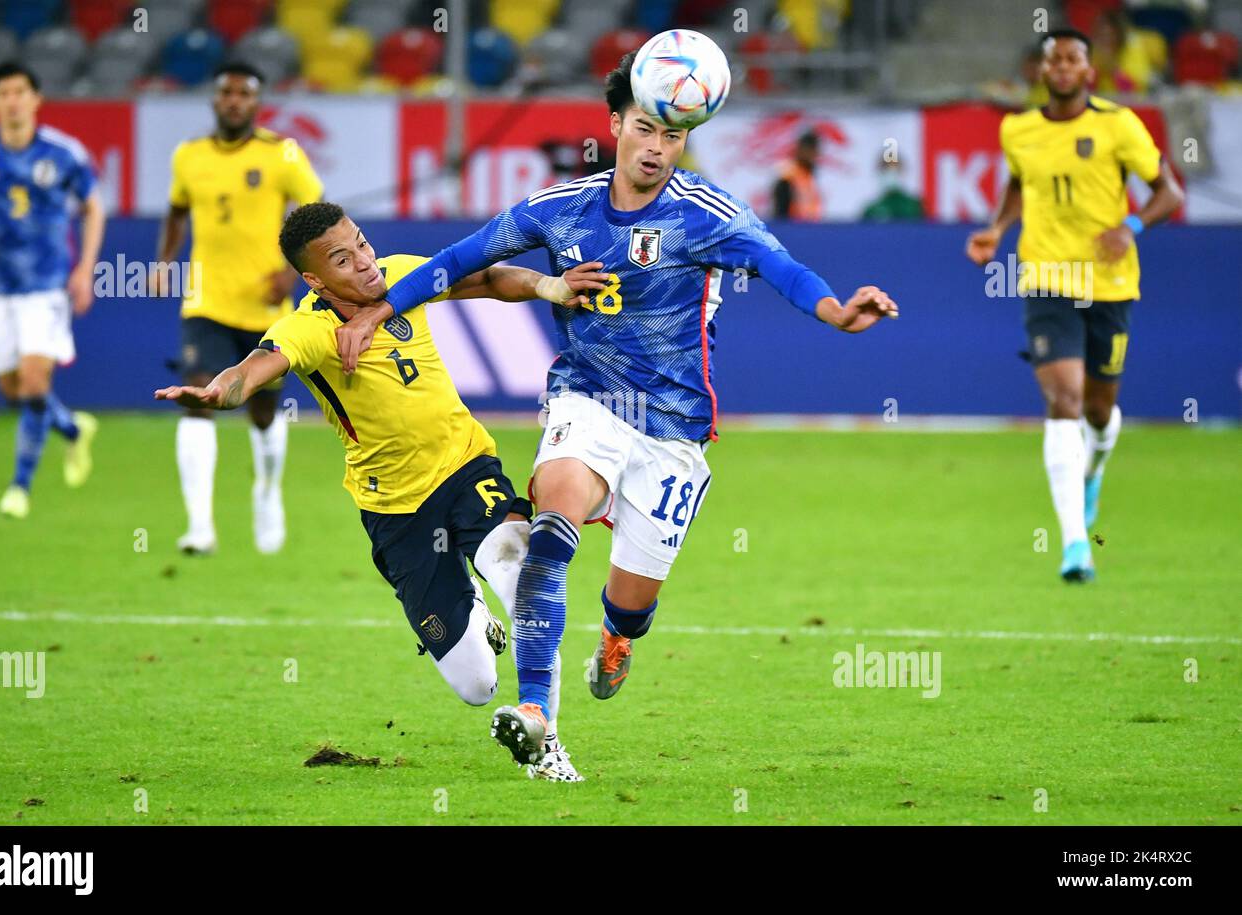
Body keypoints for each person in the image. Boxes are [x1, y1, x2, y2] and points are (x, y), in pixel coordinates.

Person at [334, 53, 898, 769]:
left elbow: (778, 265)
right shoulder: (561, 207)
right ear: (616, 125)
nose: (658, 147)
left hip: (674, 431)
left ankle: (618, 637)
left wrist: (836, 310)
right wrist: (380, 310)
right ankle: (536, 709)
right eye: (646, 128)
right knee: (551, 525)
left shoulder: (705, 213)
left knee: (631, 601)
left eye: (673, 135)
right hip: (588, 400)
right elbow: (459, 257)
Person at [154, 202, 608, 781]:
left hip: (467, 468)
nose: (366, 264)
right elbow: (254, 368)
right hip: (395, 512)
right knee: (474, 685)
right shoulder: (308, 329)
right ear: (315, 279)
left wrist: (549, 284)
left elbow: (490, 277)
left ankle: (544, 736)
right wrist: (219, 394)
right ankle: (466, 605)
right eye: (343, 260)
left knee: (520, 571)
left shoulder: (401, 276)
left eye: (362, 244)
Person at [966, 28, 1183, 582]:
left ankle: (1096, 470)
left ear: (1089, 71)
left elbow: (1170, 192)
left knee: (1098, 410)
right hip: (1045, 280)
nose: (1062, 67)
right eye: (1053, 58)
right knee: (1063, 399)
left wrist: (1130, 226)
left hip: (1110, 286)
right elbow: (1019, 184)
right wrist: (996, 229)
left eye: (1073, 59)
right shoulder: (1019, 129)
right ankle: (1074, 546)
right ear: (1041, 71)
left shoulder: (1118, 124)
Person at [151, 62, 323, 555]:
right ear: (215, 99)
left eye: (244, 93)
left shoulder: (282, 153)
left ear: (257, 101)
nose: (233, 101)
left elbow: (315, 215)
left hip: (266, 307)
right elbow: (177, 211)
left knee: (264, 412)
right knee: (200, 394)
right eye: (226, 92)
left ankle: (267, 492)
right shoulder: (189, 156)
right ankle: (200, 525)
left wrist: (291, 272)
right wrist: (164, 263)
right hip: (205, 301)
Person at [0, 61, 104, 519]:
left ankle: (19, 487)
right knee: (12, 387)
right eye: (3, 93)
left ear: (36, 99)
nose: (12, 100)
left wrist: (85, 269)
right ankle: (72, 427)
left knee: (34, 381)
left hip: (46, 285)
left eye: (20, 92)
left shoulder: (63, 152)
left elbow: (94, 207)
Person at [771, 130, 823, 221]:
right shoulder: (788, 174)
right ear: (800, 149)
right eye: (810, 149)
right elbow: (780, 209)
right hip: (793, 229)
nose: (814, 155)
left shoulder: (809, 175)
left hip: (809, 228)